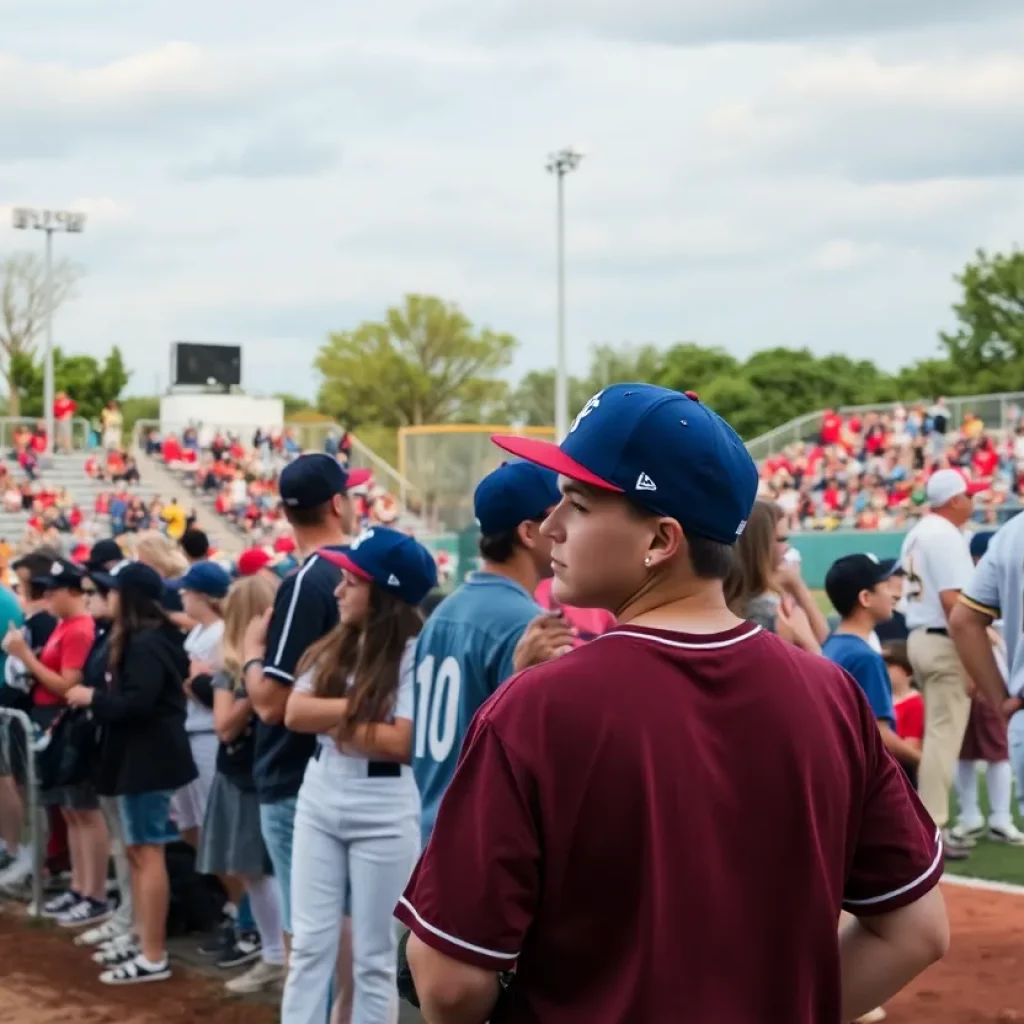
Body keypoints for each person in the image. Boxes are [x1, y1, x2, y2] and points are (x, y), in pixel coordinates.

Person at [396, 384, 948, 1024]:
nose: (550, 526)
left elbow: (447, 984)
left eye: (576, 504)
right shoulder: (830, 693)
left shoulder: (537, 706)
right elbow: (916, 932)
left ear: (661, 540)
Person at [282, 528, 436, 1023]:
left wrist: (333, 719)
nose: (338, 589)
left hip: (386, 801)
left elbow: (402, 743)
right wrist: (361, 710)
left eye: (352, 580)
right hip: (322, 789)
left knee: (373, 957)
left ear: (384, 591)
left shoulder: (415, 650)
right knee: (309, 945)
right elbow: (293, 714)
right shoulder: (336, 643)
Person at [412, 460, 572, 847]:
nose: (566, 529)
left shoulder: (444, 612)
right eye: (558, 514)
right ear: (529, 531)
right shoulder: (527, 624)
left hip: (433, 828)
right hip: (485, 837)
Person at [66, 560, 196, 985]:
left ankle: (153, 954)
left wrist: (92, 698)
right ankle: (143, 938)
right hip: (142, 759)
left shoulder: (146, 642)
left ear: (131, 597)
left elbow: (138, 703)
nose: (109, 598)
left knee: (147, 852)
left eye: (116, 591)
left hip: (149, 760)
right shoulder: (148, 638)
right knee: (140, 852)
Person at [242, 454, 350, 970]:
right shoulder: (346, 574)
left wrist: (248, 654)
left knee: (307, 936)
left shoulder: (308, 578)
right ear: (336, 503)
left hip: (296, 776)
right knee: (334, 934)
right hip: (335, 768)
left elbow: (268, 704)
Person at [3, 556, 110, 927]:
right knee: (70, 809)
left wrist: (25, 659)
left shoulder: (79, 627)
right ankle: (80, 889)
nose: (45, 596)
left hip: (66, 720)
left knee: (82, 809)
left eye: (52, 590)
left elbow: (67, 685)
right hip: (53, 718)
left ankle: (92, 892)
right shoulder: (68, 625)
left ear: (68, 591)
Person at [198, 573, 286, 994]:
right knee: (250, 870)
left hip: (270, 775)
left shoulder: (283, 659)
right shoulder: (231, 664)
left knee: (267, 872)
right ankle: (273, 954)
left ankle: (277, 956)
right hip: (240, 775)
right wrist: (258, 692)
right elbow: (223, 727)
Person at [901, 468, 983, 859]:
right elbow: (954, 602)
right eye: (969, 495)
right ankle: (931, 826)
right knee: (942, 739)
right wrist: (972, 662)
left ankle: (924, 824)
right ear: (954, 500)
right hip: (942, 640)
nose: (973, 500)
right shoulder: (944, 534)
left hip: (920, 636)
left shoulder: (919, 531)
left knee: (937, 735)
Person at [947, 530, 1024, 847]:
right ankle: (986, 817)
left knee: (982, 749)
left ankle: (991, 817)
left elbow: (963, 621)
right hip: (997, 678)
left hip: (1013, 694)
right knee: (976, 750)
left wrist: (1000, 700)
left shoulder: (1012, 536)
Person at [822, 555, 922, 781]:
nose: (892, 594)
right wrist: (923, 762)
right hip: (861, 775)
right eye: (885, 587)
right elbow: (880, 734)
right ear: (866, 598)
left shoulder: (832, 644)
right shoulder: (866, 658)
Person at [174, 561, 230, 851]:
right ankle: (203, 890)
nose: (182, 596)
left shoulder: (221, 632)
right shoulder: (198, 631)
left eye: (186, 591)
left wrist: (194, 682)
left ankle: (228, 894)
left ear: (202, 595)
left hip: (209, 732)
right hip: (191, 730)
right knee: (191, 820)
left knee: (212, 818)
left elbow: (214, 688)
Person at [724, 499, 826, 653]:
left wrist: (795, 584)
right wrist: (805, 636)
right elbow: (821, 655)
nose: (787, 547)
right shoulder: (768, 611)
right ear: (760, 545)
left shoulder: (718, 596)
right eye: (781, 539)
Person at [882, 641, 924, 787]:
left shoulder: (915, 703)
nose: (882, 669)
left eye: (889, 665)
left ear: (907, 670)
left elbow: (911, 745)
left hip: (902, 772)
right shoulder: (882, 699)